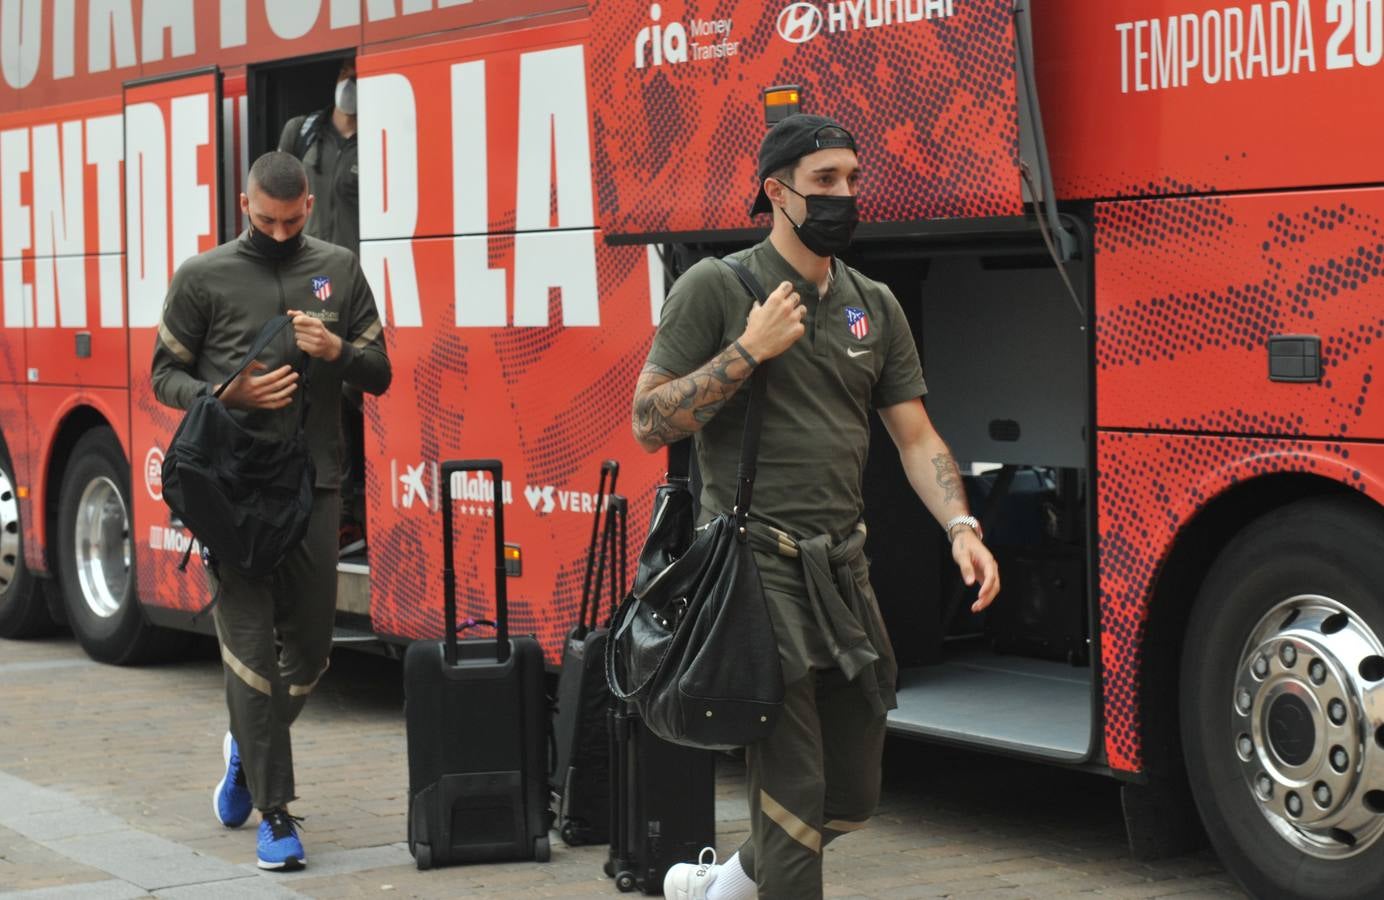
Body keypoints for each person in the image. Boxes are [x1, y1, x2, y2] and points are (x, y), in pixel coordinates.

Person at [630, 114, 1000, 900]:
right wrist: (747, 351)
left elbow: (914, 435)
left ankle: (719, 888)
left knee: (852, 799)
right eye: (824, 182)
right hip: (755, 574)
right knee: (794, 802)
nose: (843, 197)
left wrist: (962, 528)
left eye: (852, 181)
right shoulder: (719, 287)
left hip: (844, 570)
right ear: (777, 192)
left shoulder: (876, 304)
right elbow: (648, 419)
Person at [151, 151, 391, 871]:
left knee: (311, 654)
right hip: (231, 494)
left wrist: (339, 348)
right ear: (244, 205)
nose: (280, 233)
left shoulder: (339, 269)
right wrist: (228, 395)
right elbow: (162, 374)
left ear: (310, 207)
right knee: (251, 654)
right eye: (265, 220)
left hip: (314, 486)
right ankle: (277, 817)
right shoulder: (203, 276)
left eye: (291, 221)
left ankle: (244, 750)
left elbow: (379, 370)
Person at [279, 59, 368, 554]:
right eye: (344, 74)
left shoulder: (375, 136)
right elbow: (275, 189)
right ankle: (331, 510)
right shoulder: (303, 132)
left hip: (353, 282)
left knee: (355, 389)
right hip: (310, 283)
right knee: (314, 392)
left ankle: (352, 508)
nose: (350, 86)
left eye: (357, 76)